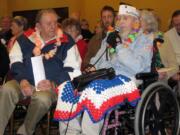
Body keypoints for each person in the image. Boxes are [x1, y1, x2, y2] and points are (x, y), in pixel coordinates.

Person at [55, 4, 153, 135]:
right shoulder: (112, 36)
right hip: (107, 76)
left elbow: (138, 67)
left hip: (129, 79)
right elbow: (103, 60)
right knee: (68, 87)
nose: (121, 22)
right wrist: (93, 67)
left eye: (125, 18)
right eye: (119, 18)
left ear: (136, 22)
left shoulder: (144, 39)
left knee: (96, 89)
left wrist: (119, 46)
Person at [0, 9, 81, 135]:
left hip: (50, 87)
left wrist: (53, 83)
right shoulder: (24, 39)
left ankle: (25, 131)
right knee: (6, 89)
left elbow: (73, 69)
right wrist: (22, 80)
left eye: (55, 22)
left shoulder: (66, 41)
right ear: (38, 26)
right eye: (48, 23)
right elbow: (15, 60)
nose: (53, 26)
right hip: (24, 81)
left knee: (42, 98)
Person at [158, 10, 180, 86]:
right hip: (175, 67)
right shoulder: (166, 36)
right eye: (176, 25)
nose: (178, 27)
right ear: (173, 24)